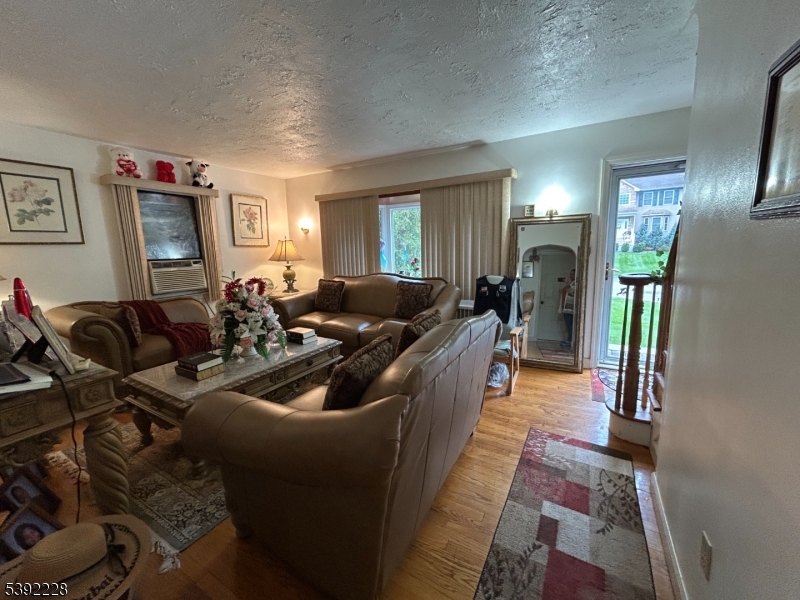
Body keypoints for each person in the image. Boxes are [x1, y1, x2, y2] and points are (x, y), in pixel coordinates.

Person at [560, 269, 576, 347]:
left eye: (573, 274)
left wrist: (567, 283)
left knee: (570, 325)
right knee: (568, 325)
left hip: (571, 309)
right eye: (570, 274)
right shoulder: (571, 283)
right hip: (566, 307)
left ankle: (570, 341)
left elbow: (571, 292)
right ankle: (569, 339)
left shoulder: (576, 283)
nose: (571, 276)